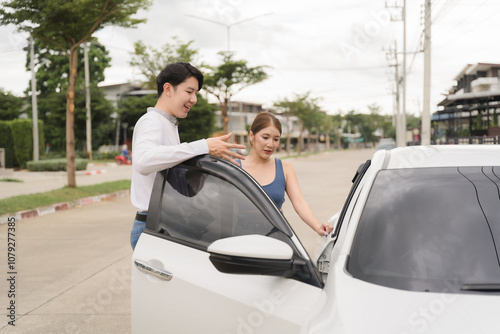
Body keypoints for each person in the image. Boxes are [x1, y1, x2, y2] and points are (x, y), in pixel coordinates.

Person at [130, 62, 246, 250]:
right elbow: (143, 161)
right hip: (153, 228)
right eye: (189, 91)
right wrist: (203, 146)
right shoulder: (152, 121)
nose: (194, 99)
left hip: (166, 224)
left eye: (196, 93)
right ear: (168, 89)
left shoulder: (168, 124)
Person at [237, 112, 333, 237]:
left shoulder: (284, 168)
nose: (270, 144)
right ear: (252, 135)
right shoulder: (235, 167)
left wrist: (318, 227)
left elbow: (299, 202)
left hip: (277, 240)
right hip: (240, 241)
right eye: (265, 137)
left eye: (276, 139)